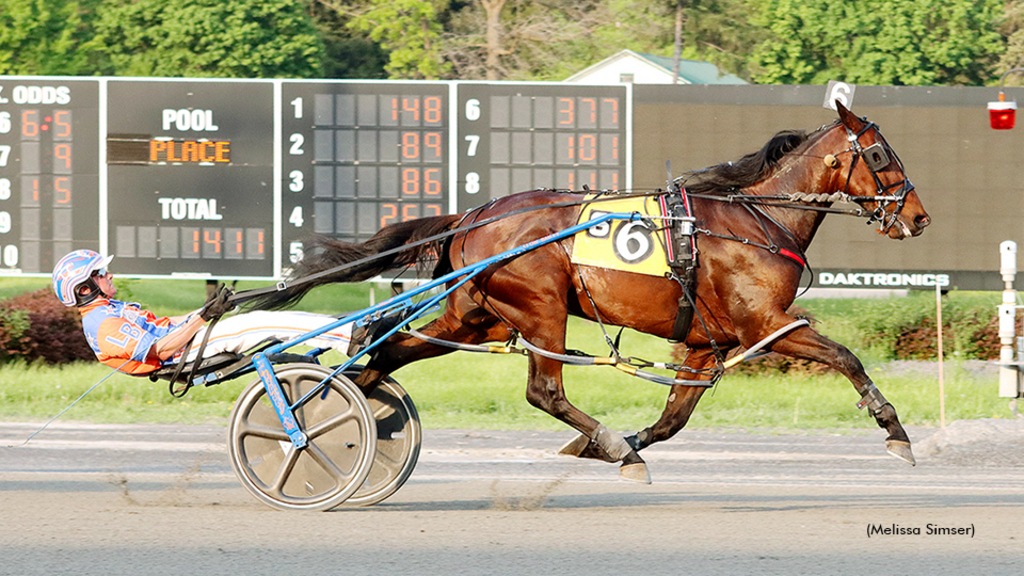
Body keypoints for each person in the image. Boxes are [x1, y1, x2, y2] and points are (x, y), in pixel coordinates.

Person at [51, 250, 357, 376]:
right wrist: (205, 317)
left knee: (254, 318)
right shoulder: (103, 325)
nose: (110, 276)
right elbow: (160, 348)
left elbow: (168, 324)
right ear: (84, 288)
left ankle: (350, 327)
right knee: (259, 322)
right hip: (183, 354)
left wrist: (208, 308)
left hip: (189, 341)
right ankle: (352, 336)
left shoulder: (111, 310)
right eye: (102, 273)